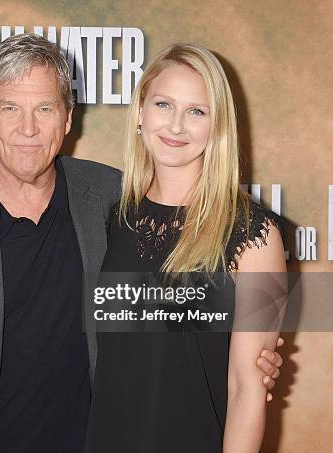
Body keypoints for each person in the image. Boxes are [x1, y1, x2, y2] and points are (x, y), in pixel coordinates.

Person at [0, 34, 284, 453]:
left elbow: (244, 381)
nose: (28, 128)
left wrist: (255, 366)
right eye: (10, 108)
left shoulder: (109, 200)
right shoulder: (120, 208)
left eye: (45, 109)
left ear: (68, 118)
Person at [84, 43, 287, 452]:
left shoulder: (255, 234)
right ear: (140, 112)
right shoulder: (111, 220)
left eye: (197, 111)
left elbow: (247, 389)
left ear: (218, 127)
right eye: (164, 104)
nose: (176, 126)